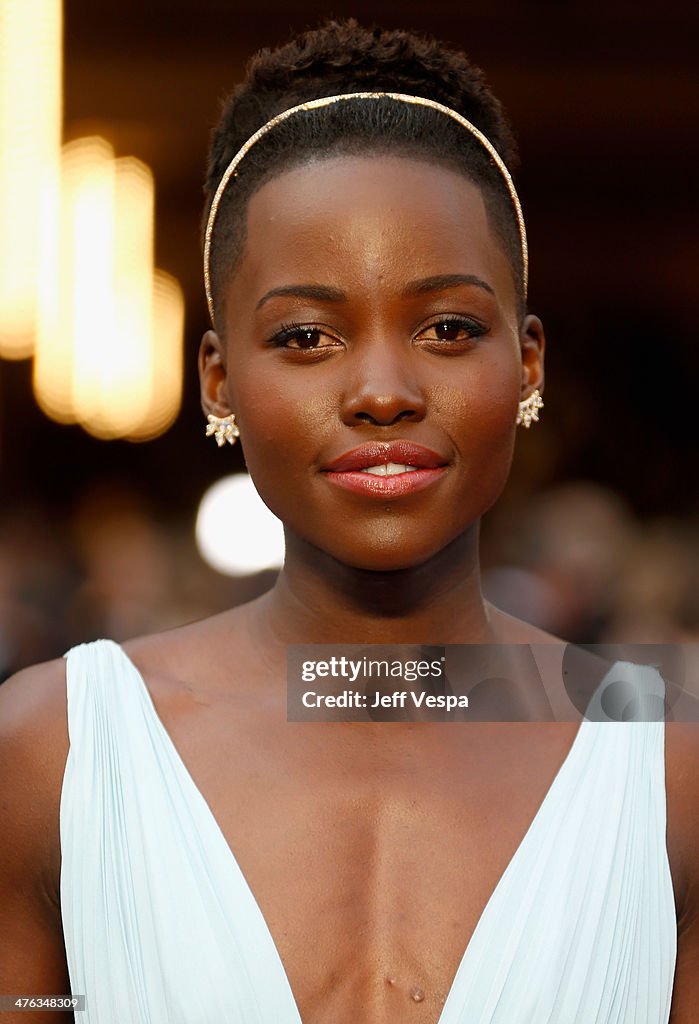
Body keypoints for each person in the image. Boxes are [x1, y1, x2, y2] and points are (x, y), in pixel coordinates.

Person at [0, 18, 696, 1024]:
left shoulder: (669, 771)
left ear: (528, 364)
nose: (381, 391)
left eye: (449, 327)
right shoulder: (52, 755)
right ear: (221, 379)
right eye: (306, 334)